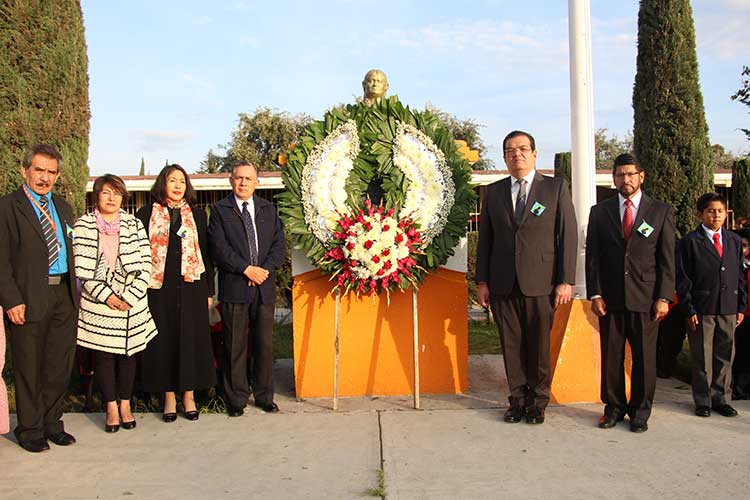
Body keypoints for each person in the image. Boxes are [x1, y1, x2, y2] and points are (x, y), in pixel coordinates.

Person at [475, 130, 577, 425]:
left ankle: (538, 402)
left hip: (541, 282)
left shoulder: (555, 188)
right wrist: (482, 281)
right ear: (504, 157)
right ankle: (517, 400)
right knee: (511, 345)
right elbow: (487, 241)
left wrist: (565, 280)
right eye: (509, 150)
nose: (516, 154)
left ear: (534, 153)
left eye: (522, 149)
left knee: (538, 347)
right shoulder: (494, 192)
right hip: (503, 283)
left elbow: (566, 235)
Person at [586, 153, 675, 433]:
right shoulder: (600, 212)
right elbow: (593, 258)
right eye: (620, 175)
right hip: (610, 298)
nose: (625, 179)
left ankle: (640, 412)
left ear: (641, 176)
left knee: (645, 359)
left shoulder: (660, 211)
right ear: (614, 179)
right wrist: (595, 293)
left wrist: (664, 297)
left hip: (646, 299)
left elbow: (667, 259)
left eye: (630, 174)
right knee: (611, 356)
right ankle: (613, 408)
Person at [0, 144, 79, 453]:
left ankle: (52, 423)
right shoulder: (7, 207)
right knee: (29, 365)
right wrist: (11, 300)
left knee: (58, 366)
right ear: (25, 170)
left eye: (51, 172)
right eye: (39, 170)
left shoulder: (63, 207)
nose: (44, 178)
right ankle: (30, 428)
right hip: (28, 297)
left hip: (64, 294)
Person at [73, 174, 157, 433]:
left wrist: (130, 296)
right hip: (99, 303)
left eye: (117, 193)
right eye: (106, 192)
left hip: (131, 303)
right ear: (96, 195)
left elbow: (146, 263)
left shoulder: (133, 224)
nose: (112, 198)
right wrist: (107, 296)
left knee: (128, 356)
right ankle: (110, 407)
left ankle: (125, 404)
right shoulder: (84, 225)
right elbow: (83, 270)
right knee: (104, 357)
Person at [136, 164, 216, 422]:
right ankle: (168, 397)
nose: (178, 185)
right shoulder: (146, 213)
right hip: (158, 287)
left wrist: (208, 290)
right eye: (173, 180)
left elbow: (206, 252)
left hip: (191, 285)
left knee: (190, 339)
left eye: (182, 181)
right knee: (164, 340)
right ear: (163, 184)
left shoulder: (196, 215)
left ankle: (189, 396)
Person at [208, 162, 286, 416]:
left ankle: (264, 396)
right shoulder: (220, 210)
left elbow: (278, 245)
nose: (243, 183)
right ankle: (236, 399)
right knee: (235, 345)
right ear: (231, 181)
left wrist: (262, 271)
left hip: (263, 288)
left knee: (264, 345)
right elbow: (219, 248)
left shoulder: (268, 209)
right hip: (235, 287)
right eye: (238, 178)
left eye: (248, 178)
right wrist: (245, 269)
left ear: (256, 182)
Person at [676, 193, 746, 417]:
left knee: (725, 354)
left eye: (720, 211)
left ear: (726, 214)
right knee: (702, 356)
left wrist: (741, 306)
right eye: (710, 211)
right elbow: (683, 278)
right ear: (700, 214)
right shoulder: (689, 242)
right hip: (702, 307)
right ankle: (703, 400)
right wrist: (689, 308)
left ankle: (721, 398)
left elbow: (740, 276)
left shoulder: (734, 240)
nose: (715, 216)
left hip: (728, 306)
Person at [731, 227, 750, 399]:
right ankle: (735, 388)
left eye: (744, 246)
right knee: (737, 354)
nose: (741, 250)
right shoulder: (731, 264)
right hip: (736, 314)